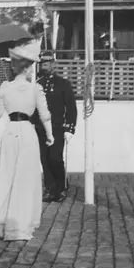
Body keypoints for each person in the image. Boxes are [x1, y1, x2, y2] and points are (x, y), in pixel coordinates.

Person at [0, 42, 54, 241]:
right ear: (28, 68)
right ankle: (19, 226)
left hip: (10, 132)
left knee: (6, 177)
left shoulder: (5, 87)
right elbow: (45, 115)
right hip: (27, 133)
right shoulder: (35, 88)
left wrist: (3, 99)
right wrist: (50, 135)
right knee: (25, 178)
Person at [36, 51, 77, 203]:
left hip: (57, 127)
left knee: (55, 158)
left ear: (54, 64)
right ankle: (50, 189)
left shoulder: (63, 84)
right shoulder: (37, 84)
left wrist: (69, 128)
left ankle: (61, 187)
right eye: (42, 63)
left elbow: (71, 107)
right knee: (44, 159)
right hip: (41, 128)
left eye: (47, 63)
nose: (44, 65)